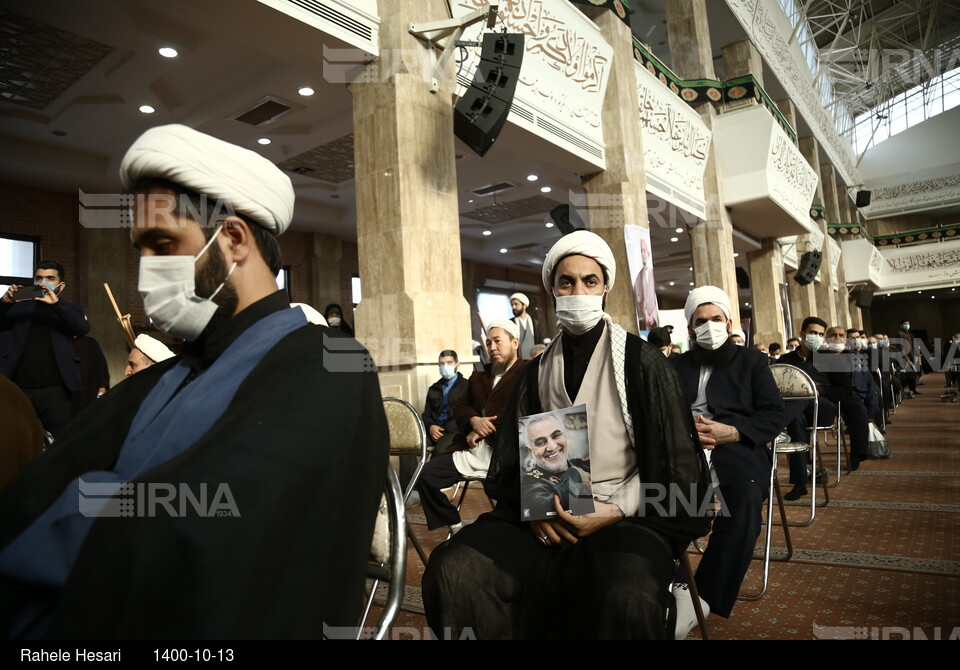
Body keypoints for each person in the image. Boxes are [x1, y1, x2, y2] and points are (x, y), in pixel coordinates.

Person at [0, 124, 387, 639]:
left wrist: (91, 500)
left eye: (163, 245)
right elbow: (37, 493)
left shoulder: (331, 365)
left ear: (232, 238)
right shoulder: (164, 375)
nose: (147, 271)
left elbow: (202, 536)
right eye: (142, 249)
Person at [422, 231, 710, 640]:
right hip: (550, 511)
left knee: (627, 595)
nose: (578, 291)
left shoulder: (642, 363)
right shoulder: (538, 371)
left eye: (589, 281)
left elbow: (680, 473)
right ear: (552, 290)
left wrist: (615, 510)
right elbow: (513, 460)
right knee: (455, 571)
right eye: (566, 282)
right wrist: (539, 507)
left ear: (605, 288)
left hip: (628, 516)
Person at [670, 286, 785, 633]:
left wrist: (733, 432)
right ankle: (668, 583)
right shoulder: (675, 364)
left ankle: (700, 599)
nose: (708, 326)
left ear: (729, 322)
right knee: (655, 497)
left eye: (715, 319)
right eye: (700, 321)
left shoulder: (751, 361)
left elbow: (774, 413)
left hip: (736, 450)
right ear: (690, 328)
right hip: (682, 450)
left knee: (744, 500)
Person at [415, 321, 526, 533]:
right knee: (426, 475)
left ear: (514, 342)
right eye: (488, 342)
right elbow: (461, 407)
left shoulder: (528, 371)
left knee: (512, 509)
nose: (492, 347)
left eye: (497, 341)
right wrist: (473, 421)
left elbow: (520, 409)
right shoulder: (479, 376)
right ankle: (454, 523)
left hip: (507, 452)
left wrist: (486, 427)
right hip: (472, 449)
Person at [779, 317, 871, 501]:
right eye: (813, 333)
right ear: (802, 334)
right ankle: (799, 483)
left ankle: (775, 424)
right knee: (796, 419)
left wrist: (818, 390)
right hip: (797, 413)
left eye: (821, 334)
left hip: (823, 409)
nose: (818, 337)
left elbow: (844, 392)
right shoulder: (785, 360)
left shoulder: (830, 359)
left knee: (804, 398)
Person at [0, 261, 91, 438]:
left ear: (61, 285)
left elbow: (82, 328)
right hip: (19, 387)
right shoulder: (19, 306)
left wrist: (56, 305)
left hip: (56, 390)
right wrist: (4, 303)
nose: (43, 282)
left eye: (50, 278)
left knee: (60, 442)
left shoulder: (70, 309)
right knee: (17, 439)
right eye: (39, 278)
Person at [520, 411, 591, 520]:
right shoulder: (530, 481)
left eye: (556, 436)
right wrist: (576, 474)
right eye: (540, 443)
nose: (552, 447)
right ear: (531, 452)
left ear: (565, 437)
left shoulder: (585, 464)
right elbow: (538, 509)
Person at [421, 349, 469, 454]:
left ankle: (429, 470)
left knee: (439, 451)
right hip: (434, 431)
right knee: (407, 447)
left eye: (449, 362)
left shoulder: (467, 386)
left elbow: (469, 414)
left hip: (454, 432)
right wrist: (431, 427)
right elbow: (426, 415)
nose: (445, 366)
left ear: (457, 365)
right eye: (442, 363)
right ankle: (413, 471)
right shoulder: (433, 389)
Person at [632, 235, 659, 330]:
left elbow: (655, 298)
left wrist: (653, 316)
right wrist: (646, 315)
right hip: (643, 321)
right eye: (641, 251)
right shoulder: (638, 276)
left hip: (654, 320)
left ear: (648, 253)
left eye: (644, 251)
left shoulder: (653, 272)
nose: (643, 254)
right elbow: (639, 299)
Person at [510, 293, 536, 360]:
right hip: (518, 361)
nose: (513, 307)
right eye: (512, 305)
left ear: (524, 306)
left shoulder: (534, 322)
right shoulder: (511, 322)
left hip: (533, 359)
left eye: (516, 304)